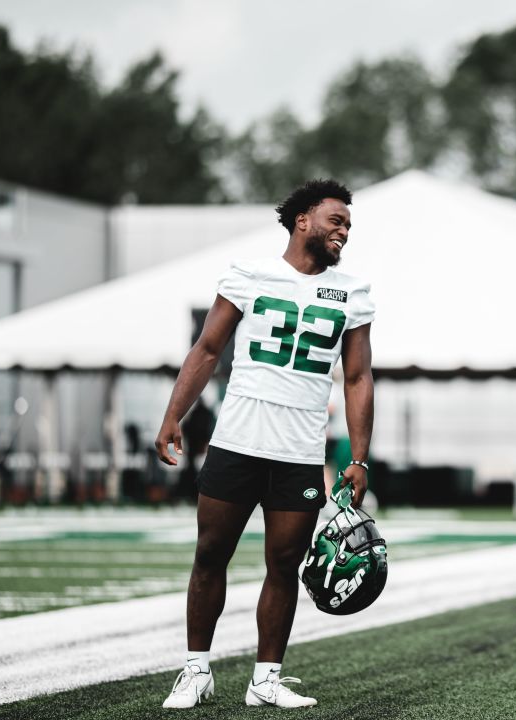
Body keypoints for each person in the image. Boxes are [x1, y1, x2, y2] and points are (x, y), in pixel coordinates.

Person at [154, 179, 375, 710]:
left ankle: (266, 678)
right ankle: (196, 671)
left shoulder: (353, 290)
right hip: (237, 442)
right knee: (210, 554)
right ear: (303, 220)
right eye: (335, 220)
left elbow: (358, 377)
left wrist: (358, 457)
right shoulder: (249, 274)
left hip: (299, 453)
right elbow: (207, 349)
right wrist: (172, 416)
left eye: (348, 224)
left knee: (284, 564)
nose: (343, 231)